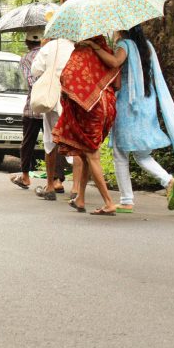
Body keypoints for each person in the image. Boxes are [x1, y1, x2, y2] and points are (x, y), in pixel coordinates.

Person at [81, 25, 174, 212]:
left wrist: (95, 47)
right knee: (142, 154)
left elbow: (115, 62)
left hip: (128, 105)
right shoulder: (146, 45)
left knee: (119, 153)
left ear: (122, 30)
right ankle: (168, 180)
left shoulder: (125, 44)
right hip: (147, 102)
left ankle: (126, 200)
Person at [53, 35, 120, 215]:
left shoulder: (81, 52)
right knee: (84, 155)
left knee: (92, 155)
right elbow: (118, 82)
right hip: (108, 106)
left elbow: (67, 78)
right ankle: (80, 198)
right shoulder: (104, 50)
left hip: (91, 109)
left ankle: (108, 202)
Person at [30, 37, 73, 200]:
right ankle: (76, 189)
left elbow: (35, 70)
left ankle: (49, 185)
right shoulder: (76, 48)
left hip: (52, 99)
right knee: (74, 144)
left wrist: (43, 47)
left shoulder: (49, 47)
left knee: (50, 142)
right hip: (71, 99)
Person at [10, 29, 44, 189]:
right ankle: (57, 180)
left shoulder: (26, 59)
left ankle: (25, 176)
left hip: (33, 105)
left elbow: (30, 81)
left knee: (28, 142)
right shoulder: (49, 54)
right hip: (52, 106)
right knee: (53, 142)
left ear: (27, 42)